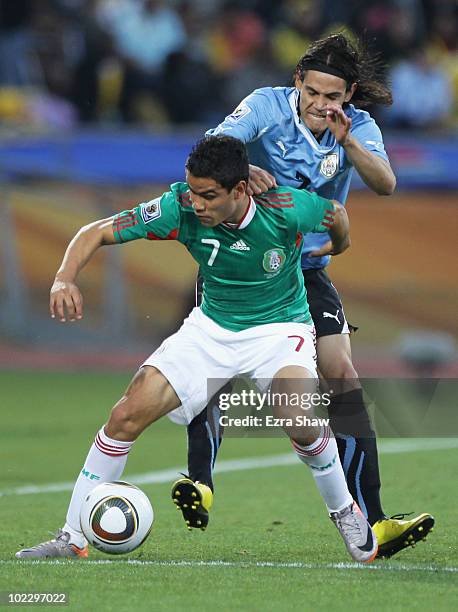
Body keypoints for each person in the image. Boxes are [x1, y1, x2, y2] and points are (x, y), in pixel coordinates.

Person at [16, 135, 378, 563]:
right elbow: (95, 231)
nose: (198, 203)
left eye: (209, 196)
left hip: (280, 330)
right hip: (209, 330)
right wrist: (64, 277)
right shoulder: (178, 208)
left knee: (298, 417)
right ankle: (72, 537)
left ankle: (345, 512)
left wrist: (341, 244)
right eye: (192, 191)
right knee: (125, 415)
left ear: (240, 190)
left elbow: (335, 213)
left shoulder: (286, 208)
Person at [176, 34, 434, 558]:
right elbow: (213, 146)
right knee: (216, 369)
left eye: (333, 97)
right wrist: (242, 167)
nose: (321, 104)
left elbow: (385, 184)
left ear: (349, 96)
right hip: (244, 259)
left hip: (307, 266)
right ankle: (199, 482)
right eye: (313, 92)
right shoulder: (266, 106)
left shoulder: (357, 128)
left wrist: (350, 143)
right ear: (297, 83)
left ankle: (375, 521)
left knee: (342, 372)